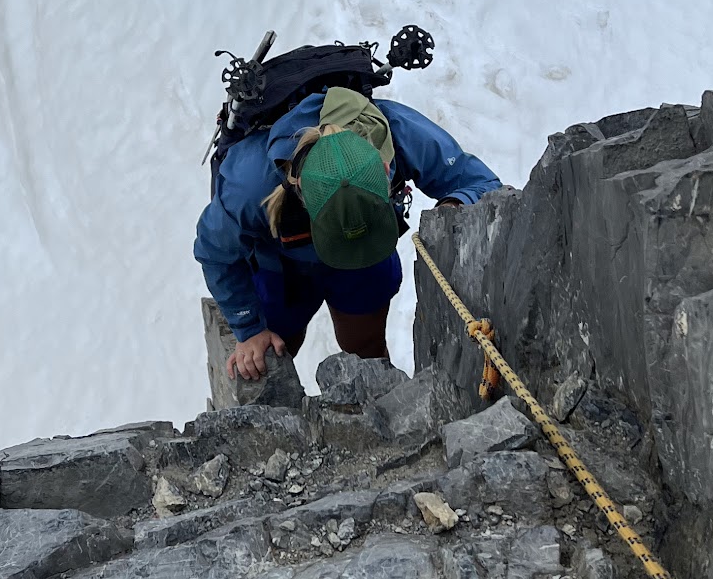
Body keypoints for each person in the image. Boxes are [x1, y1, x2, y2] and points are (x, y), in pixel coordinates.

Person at [194, 84, 501, 380]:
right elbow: (214, 252)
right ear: (299, 191)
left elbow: (481, 183)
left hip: (364, 252)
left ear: (384, 169)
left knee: (366, 351)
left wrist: (450, 208)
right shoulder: (250, 187)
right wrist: (250, 329)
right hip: (284, 270)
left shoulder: (396, 132)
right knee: (275, 352)